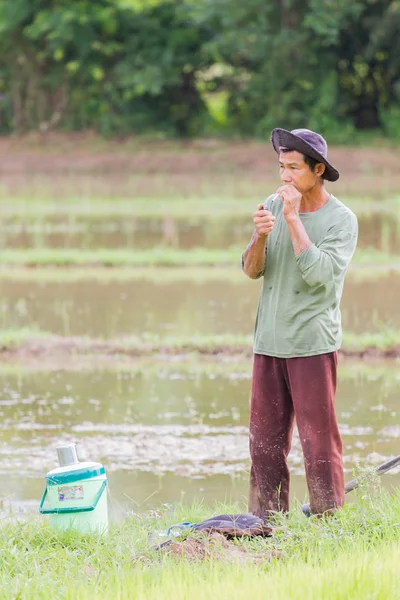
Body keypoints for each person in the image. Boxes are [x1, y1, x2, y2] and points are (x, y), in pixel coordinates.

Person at [242, 128, 358, 518]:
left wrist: (293, 219)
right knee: (264, 444)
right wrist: (259, 238)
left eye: (293, 168)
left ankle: (328, 520)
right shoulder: (271, 206)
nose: (284, 177)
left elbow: (320, 275)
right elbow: (251, 270)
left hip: (311, 344)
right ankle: (264, 522)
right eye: (281, 167)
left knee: (318, 442)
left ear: (318, 169)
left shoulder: (341, 220)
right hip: (268, 342)